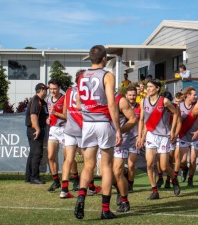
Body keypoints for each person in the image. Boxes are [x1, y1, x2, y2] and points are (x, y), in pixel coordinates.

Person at [74, 45, 122, 220]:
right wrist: (118, 129)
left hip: (87, 124)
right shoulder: (107, 75)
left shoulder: (81, 77)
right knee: (106, 166)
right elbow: (111, 103)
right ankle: (105, 209)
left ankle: (81, 196)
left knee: (88, 165)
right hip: (102, 122)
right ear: (104, 59)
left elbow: (79, 104)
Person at [136, 79, 181, 200]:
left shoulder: (164, 101)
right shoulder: (143, 102)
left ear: (157, 89)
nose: (148, 89)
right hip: (151, 135)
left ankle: (175, 180)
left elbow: (176, 113)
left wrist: (172, 130)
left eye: (151, 86)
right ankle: (154, 190)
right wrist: (140, 136)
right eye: (147, 86)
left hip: (163, 137)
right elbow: (141, 120)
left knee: (164, 166)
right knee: (150, 164)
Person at [59, 71, 85, 199]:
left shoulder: (68, 91)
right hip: (83, 128)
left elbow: (65, 112)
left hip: (69, 128)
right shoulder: (86, 91)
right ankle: (89, 187)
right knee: (88, 160)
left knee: (68, 159)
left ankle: (64, 189)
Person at [112, 92, 137, 212]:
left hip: (121, 139)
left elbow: (133, 119)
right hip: (105, 139)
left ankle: (124, 201)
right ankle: (120, 188)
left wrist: (119, 131)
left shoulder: (120, 100)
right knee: (105, 174)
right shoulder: (98, 100)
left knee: (117, 172)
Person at [175, 86, 198, 187]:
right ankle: (184, 169)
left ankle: (190, 179)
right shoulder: (179, 106)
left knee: (193, 160)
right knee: (182, 160)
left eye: (196, 95)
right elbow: (175, 121)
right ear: (187, 95)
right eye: (194, 95)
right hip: (183, 136)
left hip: (196, 136)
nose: (196, 96)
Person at [25, 83, 49, 185]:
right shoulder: (36, 100)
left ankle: (29, 176)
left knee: (33, 153)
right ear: (41, 90)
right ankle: (34, 177)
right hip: (34, 129)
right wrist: (38, 129)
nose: (46, 92)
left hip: (36, 129)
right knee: (37, 154)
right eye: (45, 90)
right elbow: (33, 115)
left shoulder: (41, 101)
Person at [46, 79, 66, 192]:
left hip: (64, 129)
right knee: (50, 156)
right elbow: (50, 114)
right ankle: (55, 181)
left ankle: (73, 180)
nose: (53, 91)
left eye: (55, 88)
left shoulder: (64, 99)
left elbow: (66, 116)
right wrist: (48, 119)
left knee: (67, 158)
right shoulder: (48, 99)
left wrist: (55, 114)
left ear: (59, 88)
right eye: (51, 88)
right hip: (53, 129)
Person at [123, 86, 141, 193]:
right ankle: (124, 176)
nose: (132, 97)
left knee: (131, 164)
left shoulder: (140, 107)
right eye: (130, 95)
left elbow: (142, 123)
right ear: (126, 95)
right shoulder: (122, 107)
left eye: (134, 95)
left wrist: (141, 136)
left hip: (134, 139)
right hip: (123, 139)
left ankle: (130, 184)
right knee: (120, 165)